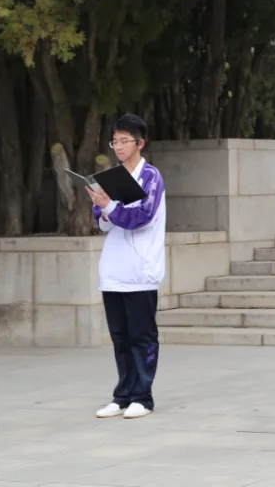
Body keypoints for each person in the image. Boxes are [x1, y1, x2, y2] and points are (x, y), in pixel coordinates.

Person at [89, 114, 167, 420]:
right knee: (120, 337)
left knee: (142, 336)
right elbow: (102, 221)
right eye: (115, 142)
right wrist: (103, 205)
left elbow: (141, 218)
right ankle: (122, 395)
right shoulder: (111, 178)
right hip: (114, 271)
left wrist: (109, 206)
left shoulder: (151, 177)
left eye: (125, 142)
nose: (119, 148)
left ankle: (142, 396)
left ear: (140, 143)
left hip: (141, 272)